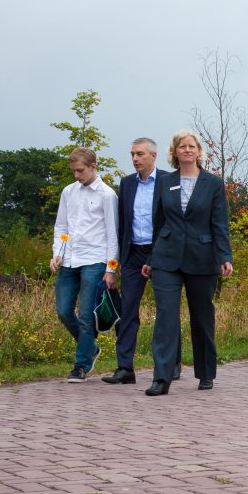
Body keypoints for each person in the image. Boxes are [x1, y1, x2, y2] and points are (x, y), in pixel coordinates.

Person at [141, 130, 233, 395]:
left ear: (199, 151)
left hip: (202, 258)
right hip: (167, 258)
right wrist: (151, 257)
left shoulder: (213, 183)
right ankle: (162, 377)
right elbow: (157, 223)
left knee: (202, 316)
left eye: (192, 146)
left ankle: (205, 372)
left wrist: (224, 256)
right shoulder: (165, 181)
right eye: (182, 146)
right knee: (166, 317)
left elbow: (219, 224)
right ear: (175, 152)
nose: (187, 150)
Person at [104, 138, 181, 385]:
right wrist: (114, 264)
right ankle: (125, 367)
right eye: (132, 154)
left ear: (153, 155)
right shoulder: (126, 184)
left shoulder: (171, 181)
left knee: (166, 310)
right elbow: (122, 225)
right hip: (133, 253)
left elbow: (174, 220)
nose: (135, 159)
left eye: (140, 154)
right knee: (127, 310)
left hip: (161, 252)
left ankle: (173, 363)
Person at [51, 147, 118, 383]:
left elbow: (113, 234)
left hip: (95, 260)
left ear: (93, 166)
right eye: (73, 171)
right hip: (69, 259)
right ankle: (90, 348)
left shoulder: (108, 195)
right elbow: (61, 227)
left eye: (80, 170)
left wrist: (111, 268)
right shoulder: (68, 192)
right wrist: (56, 253)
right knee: (63, 310)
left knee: (87, 314)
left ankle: (81, 365)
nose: (76, 175)